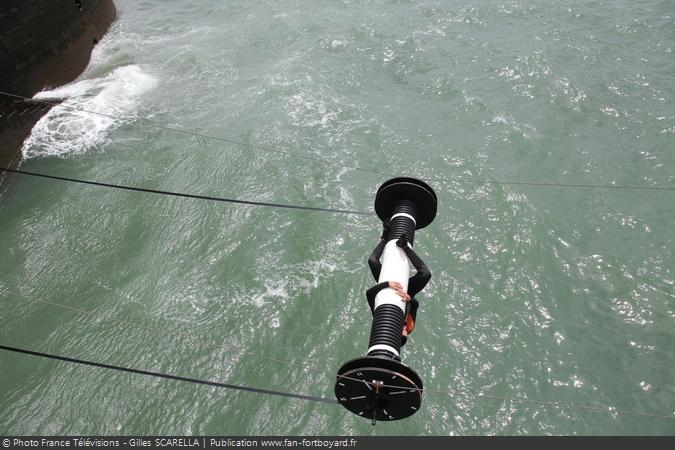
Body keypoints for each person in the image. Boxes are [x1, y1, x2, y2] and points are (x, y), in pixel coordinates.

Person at [366, 221, 431, 346]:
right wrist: (409, 298)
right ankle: (405, 246)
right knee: (425, 274)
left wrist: (386, 284)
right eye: (406, 331)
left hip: (387, 286)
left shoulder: (382, 316)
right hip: (406, 291)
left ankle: (384, 239)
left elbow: (369, 294)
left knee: (372, 261)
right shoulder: (409, 325)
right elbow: (416, 305)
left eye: (402, 330)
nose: (405, 328)